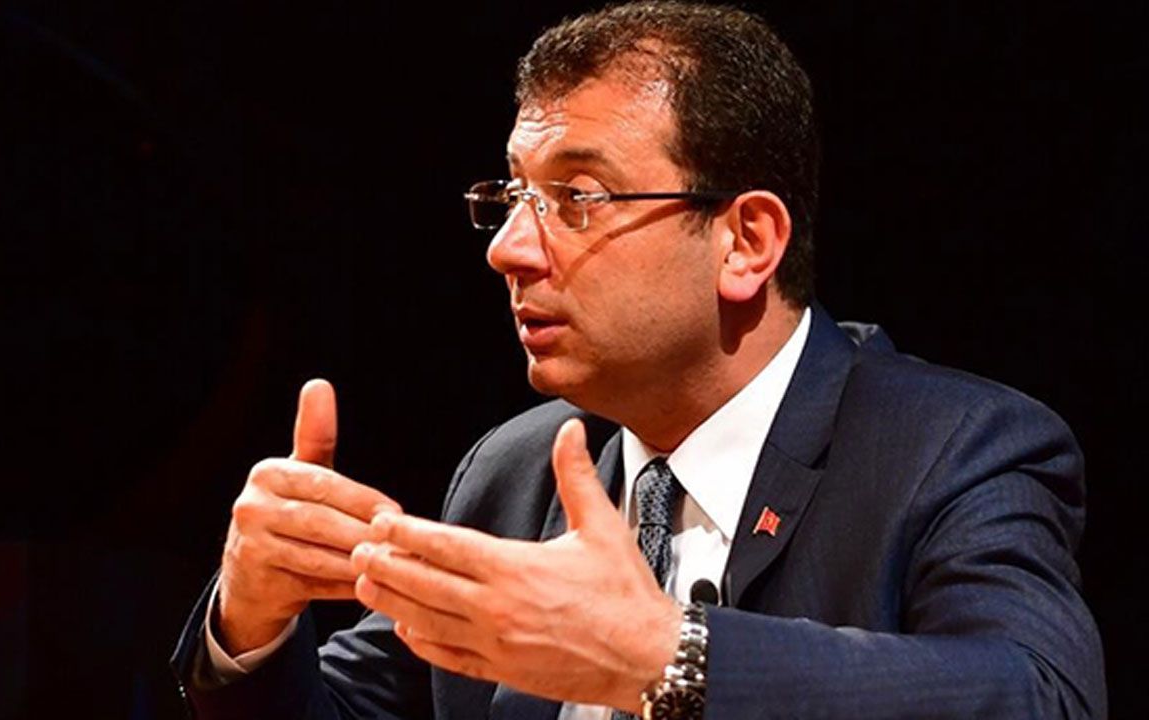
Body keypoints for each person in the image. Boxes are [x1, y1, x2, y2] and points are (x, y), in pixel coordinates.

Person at [170, 3, 1105, 718]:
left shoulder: (951, 449)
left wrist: (666, 656)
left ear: (745, 241)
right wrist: (251, 623)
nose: (508, 250)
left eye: (577, 197)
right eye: (512, 197)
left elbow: (1039, 694)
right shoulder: (517, 472)